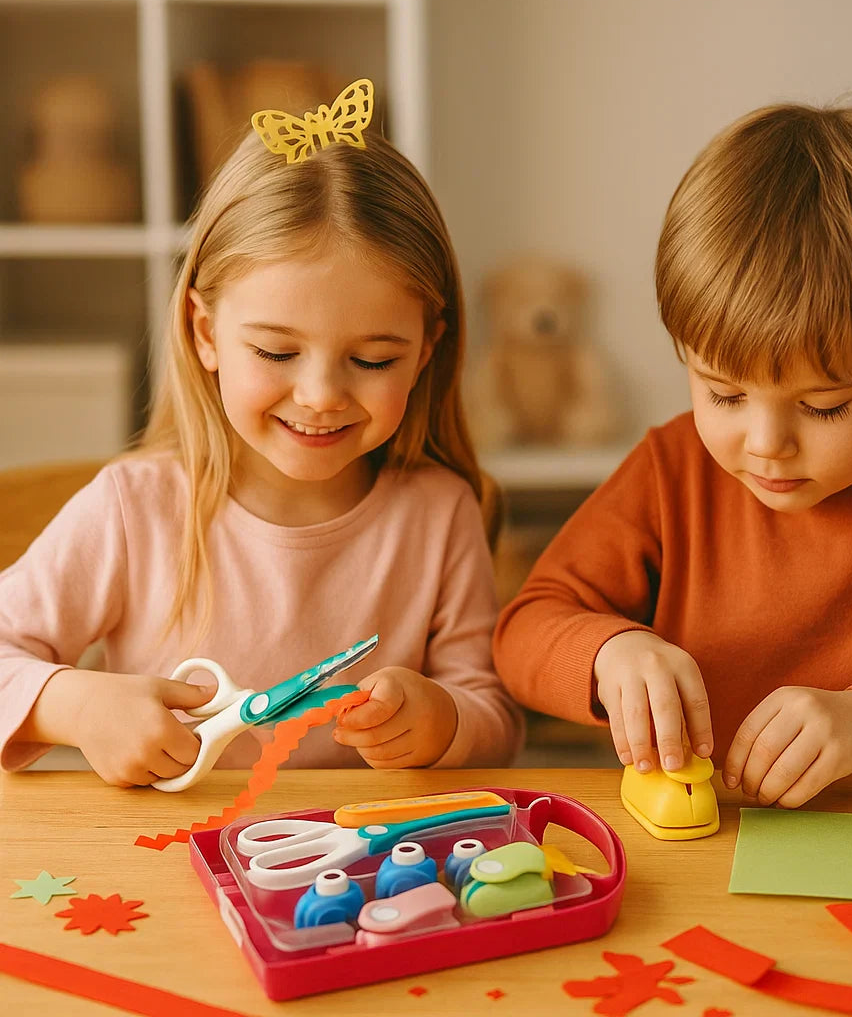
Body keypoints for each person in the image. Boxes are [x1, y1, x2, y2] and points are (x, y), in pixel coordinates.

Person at [494, 101, 852, 806]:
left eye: (823, 405)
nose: (766, 444)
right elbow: (526, 629)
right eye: (723, 395)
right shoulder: (669, 470)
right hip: (705, 845)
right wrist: (609, 651)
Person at [0, 81, 523, 786]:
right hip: (160, 871)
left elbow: (494, 719)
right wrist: (74, 704)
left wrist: (443, 721)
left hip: (357, 878)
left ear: (427, 348)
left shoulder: (439, 511)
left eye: (373, 360)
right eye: (277, 353)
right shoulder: (133, 506)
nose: (320, 396)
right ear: (206, 332)